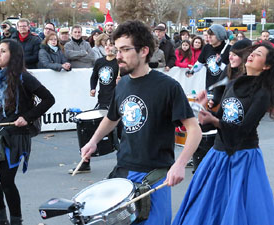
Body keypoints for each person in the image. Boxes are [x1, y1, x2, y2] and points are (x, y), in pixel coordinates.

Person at [80, 20, 202, 225]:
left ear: (144, 50)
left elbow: (194, 129)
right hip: (123, 171)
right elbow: (112, 118)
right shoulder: (123, 84)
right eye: (117, 49)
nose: (118, 55)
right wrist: (93, 141)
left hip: (154, 176)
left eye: (125, 50)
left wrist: (180, 164)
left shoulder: (168, 86)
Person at [172, 42, 274, 225]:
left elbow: (244, 129)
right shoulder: (232, 84)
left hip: (243, 157)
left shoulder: (263, 93)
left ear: (266, 66)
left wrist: (215, 121)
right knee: (208, 206)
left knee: (237, 209)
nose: (251, 55)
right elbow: (220, 119)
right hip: (218, 154)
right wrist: (203, 109)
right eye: (252, 52)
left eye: (258, 54)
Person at [0, 39, 55, 225]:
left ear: (14, 56)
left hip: (17, 136)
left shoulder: (24, 77)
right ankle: (0, 217)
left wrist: (27, 117)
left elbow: (48, 99)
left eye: (3, 51)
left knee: (6, 180)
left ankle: (16, 221)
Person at [69, 37, 120, 174]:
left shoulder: (120, 63)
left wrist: (121, 80)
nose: (109, 48)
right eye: (107, 45)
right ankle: (85, 163)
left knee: (121, 134)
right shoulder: (100, 62)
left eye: (112, 45)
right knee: (89, 132)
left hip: (116, 102)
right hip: (102, 100)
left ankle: (123, 164)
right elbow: (94, 77)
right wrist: (92, 88)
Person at [210, 38, 252, 108]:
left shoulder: (250, 71)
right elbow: (219, 88)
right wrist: (214, 101)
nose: (230, 57)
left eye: (234, 55)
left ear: (244, 56)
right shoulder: (228, 68)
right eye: (230, 54)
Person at [190, 24, 232, 89]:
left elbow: (231, 71)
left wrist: (220, 64)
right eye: (208, 34)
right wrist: (192, 70)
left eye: (212, 35)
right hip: (210, 87)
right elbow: (200, 63)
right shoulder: (206, 48)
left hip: (224, 89)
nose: (209, 37)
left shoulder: (229, 50)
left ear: (220, 36)